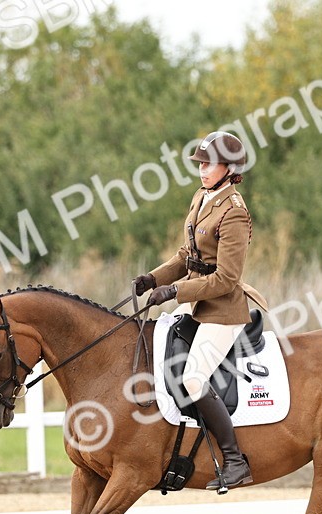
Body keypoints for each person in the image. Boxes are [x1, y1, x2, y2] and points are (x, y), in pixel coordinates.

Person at [135, 130, 268, 490]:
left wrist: (175, 290)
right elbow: (186, 256)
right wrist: (153, 278)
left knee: (193, 379)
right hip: (198, 306)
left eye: (209, 164)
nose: (202, 170)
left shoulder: (235, 213)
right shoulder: (203, 197)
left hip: (223, 311)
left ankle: (237, 460)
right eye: (201, 164)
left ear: (230, 168)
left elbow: (226, 279)